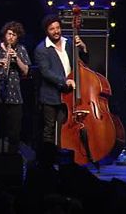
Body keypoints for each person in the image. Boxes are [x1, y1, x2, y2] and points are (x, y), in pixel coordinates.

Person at [33, 14, 88, 162]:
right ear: (47, 31)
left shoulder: (68, 43)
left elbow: (81, 63)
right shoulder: (41, 49)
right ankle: (48, 161)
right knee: (49, 129)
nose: (56, 31)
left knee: (66, 128)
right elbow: (46, 72)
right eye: (52, 29)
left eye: (58, 28)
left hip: (69, 95)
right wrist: (65, 81)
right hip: (50, 95)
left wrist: (82, 48)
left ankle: (69, 157)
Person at [0, 21, 31, 154]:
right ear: (4, 34)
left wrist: (17, 59)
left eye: (15, 35)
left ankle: (11, 164)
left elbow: (26, 71)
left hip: (14, 97)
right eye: (9, 34)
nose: (11, 37)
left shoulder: (21, 49)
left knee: (14, 134)